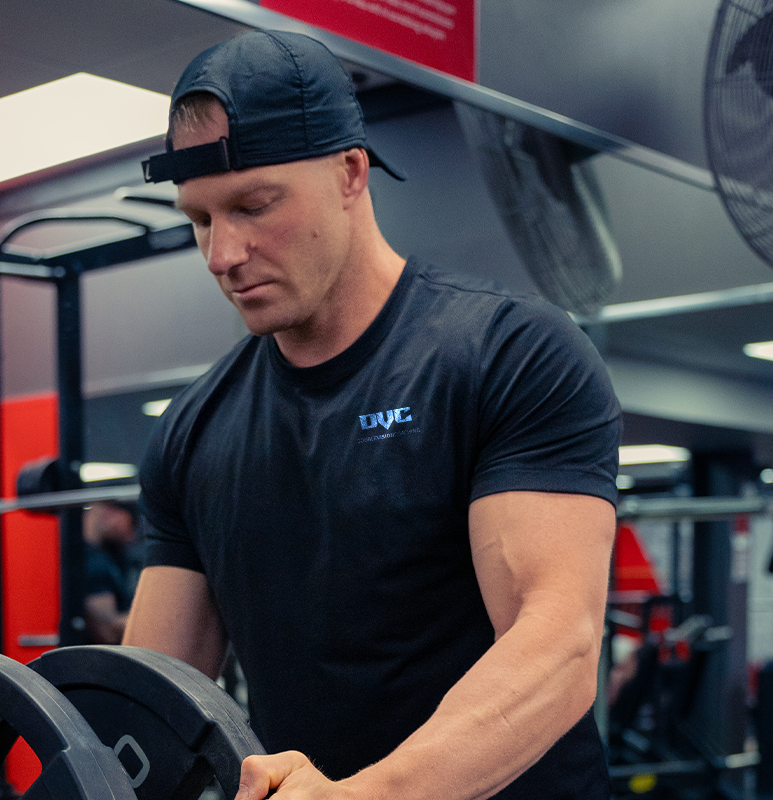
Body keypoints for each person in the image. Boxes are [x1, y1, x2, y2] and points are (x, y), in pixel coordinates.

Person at [124, 30, 621, 800]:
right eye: (200, 219)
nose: (222, 253)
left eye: (254, 206)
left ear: (350, 172)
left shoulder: (510, 353)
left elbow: (556, 647)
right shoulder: (193, 430)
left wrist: (367, 796)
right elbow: (152, 700)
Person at [82, 500, 140, 644]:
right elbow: (108, 630)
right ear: (111, 512)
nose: (131, 536)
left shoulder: (109, 555)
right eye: (132, 524)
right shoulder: (90, 562)